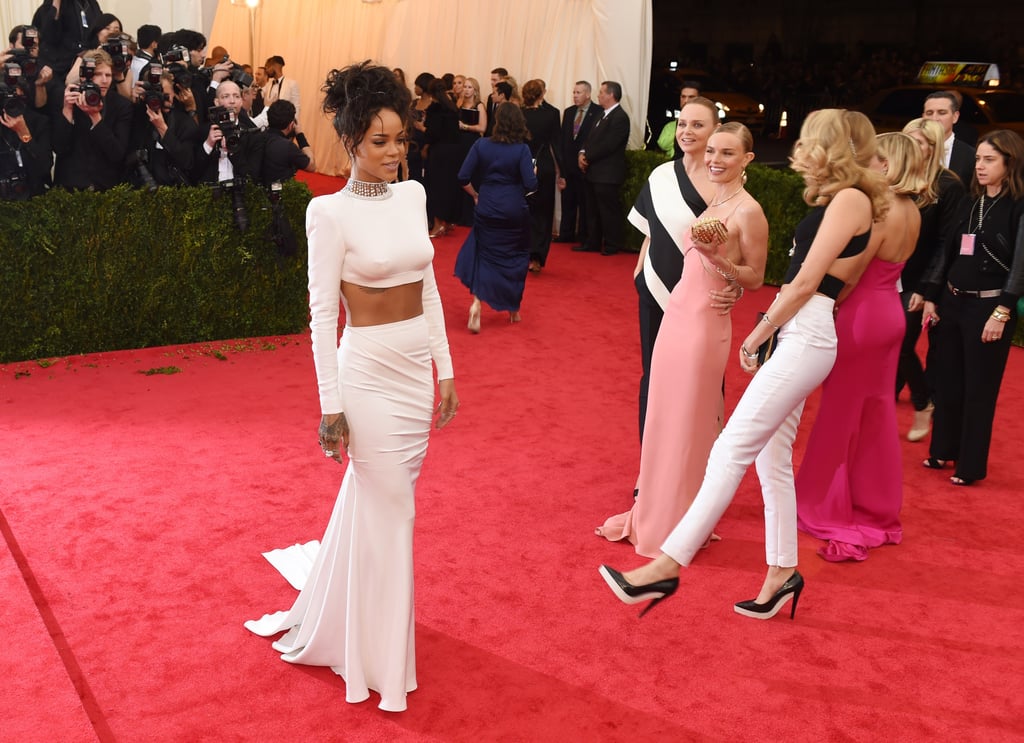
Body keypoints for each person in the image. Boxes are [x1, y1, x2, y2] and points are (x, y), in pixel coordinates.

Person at [598, 109, 888, 620]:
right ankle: (781, 575)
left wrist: (760, 330)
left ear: (830, 145)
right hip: (798, 330)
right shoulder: (841, 200)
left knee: (730, 448)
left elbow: (803, 283)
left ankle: (665, 566)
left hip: (803, 330)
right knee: (770, 461)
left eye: (809, 138)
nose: (800, 147)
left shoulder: (850, 200)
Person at [244, 61, 458, 713]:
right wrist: (330, 406)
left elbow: (427, 285)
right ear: (350, 141)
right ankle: (383, 665)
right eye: (379, 141)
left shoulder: (415, 196)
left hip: (413, 377)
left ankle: (351, 619)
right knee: (395, 511)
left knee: (378, 506)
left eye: (400, 139)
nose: (394, 153)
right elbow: (319, 314)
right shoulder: (327, 213)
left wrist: (445, 368)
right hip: (365, 376)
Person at [596, 122, 768, 557]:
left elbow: (756, 276)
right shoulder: (715, 198)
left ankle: (677, 522)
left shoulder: (748, 210)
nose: (714, 159)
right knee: (663, 415)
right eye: (712, 150)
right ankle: (656, 511)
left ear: (747, 159)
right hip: (677, 314)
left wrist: (721, 265)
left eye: (727, 153)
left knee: (690, 424)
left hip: (705, 324)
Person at [795, 132, 925, 562]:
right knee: (877, 413)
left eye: (871, 157)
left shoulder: (880, 208)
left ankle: (823, 502)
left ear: (886, 165)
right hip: (892, 315)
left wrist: (824, 309)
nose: (864, 163)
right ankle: (875, 503)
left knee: (840, 412)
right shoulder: (912, 211)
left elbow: (850, 274)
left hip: (861, 317)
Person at [920, 129, 1024, 486]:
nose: (980, 166)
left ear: (1010, 163)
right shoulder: (970, 202)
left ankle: (969, 465)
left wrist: (1003, 310)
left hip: (989, 308)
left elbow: (1021, 265)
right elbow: (947, 252)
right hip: (952, 301)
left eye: (989, 160)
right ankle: (941, 450)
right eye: (978, 159)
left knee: (979, 387)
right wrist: (933, 294)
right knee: (946, 380)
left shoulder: (1019, 206)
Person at [627, 96, 719, 443]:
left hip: (700, 297)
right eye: (683, 124)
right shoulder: (660, 175)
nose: (687, 131)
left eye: (698, 125)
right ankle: (649, 469)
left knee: (699, 378)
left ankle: (697, 467)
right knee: (654, 376)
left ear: (715, 131)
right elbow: (650, 231)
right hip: (654, 290)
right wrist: (639, 273)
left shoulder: (723, 185)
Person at [897, 118, 967, 442]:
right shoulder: (897, 178)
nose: (913, 146)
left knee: (901, 345)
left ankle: (923, 402)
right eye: (908, 139)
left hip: (916, 280)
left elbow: (945, 242)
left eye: (921, 141)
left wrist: (927, 290)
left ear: (933, 147)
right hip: (887, 275)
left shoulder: (948, 185)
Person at [454, 102, 538, 332]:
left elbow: (463, 176)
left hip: (487, 205)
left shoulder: (482, 145)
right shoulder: (521, 149)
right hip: (513, 209)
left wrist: (475, 195)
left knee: (484, 255)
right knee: (515, 257)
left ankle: (477, 303)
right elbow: (531, 184)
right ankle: (513, 310)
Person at [51, 48, 132, 191]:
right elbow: (59, 147)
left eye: (108, 75)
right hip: (70, 188)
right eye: (98, 74)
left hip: (106, 188)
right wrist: (67, 110)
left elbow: (117, 153)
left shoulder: (121, 106)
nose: (105, 80)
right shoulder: (67, 99)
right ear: (84, 76)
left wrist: (95, 117)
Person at [574, 80, 630, 256]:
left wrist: (587, 156)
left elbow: (609, 145)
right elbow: (590, 138)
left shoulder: (620, 117)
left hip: (608, 174)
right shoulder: (602, 114)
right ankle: (593, 242)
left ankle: (612, 244)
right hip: (593, 172)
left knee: (608, 210)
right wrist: (582, 152)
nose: (598, 95)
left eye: (601, 92)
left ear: (611, 95)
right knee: (592, 210)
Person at [521, 78, 563, 273]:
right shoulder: (552, 114)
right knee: (543, 213)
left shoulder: (519, 113)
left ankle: (519, 254)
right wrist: (562, 172)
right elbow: (557, 144)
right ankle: (536, 257)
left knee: (522, 210)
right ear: (542, 94)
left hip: (520, 164)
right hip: (543, 165)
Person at [556, 81, 599, 244]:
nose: (575, 95)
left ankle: (583, 236)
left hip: (586, 165)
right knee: (568, 201)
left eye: (578, 92)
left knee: (585, 203)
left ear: (588, 94)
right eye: (574, 92)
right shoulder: (568, 112)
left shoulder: (598, 112)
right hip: (568, 165)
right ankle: (565, 234)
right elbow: (563, 139)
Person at [422, 77, 461, 237]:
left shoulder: (434, 109)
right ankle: (448, 221)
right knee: (449, 186)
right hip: (453, 151)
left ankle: (438, 224)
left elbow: (433, 134)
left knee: (436, 187)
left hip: (439, 152)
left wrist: (421, 127)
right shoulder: (452, 107)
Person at [922, 91, 975, 187]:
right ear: (923, 117)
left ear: (955, 117)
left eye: (942, 113)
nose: (934, 118)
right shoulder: (910, 151)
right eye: (929, 113)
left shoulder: (970, 156)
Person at [261, 98, 315, 185]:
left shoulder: (257, 137)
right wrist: (300, 135)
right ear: (291, 125)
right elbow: (311, 166)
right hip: (281, 193)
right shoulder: (288, 147)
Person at [656, 80, 701, 159]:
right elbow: (663, 145)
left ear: (699, 99)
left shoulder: (705, 124)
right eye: (683, 97)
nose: (686, 100)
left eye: (691, 97)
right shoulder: (671, 126)